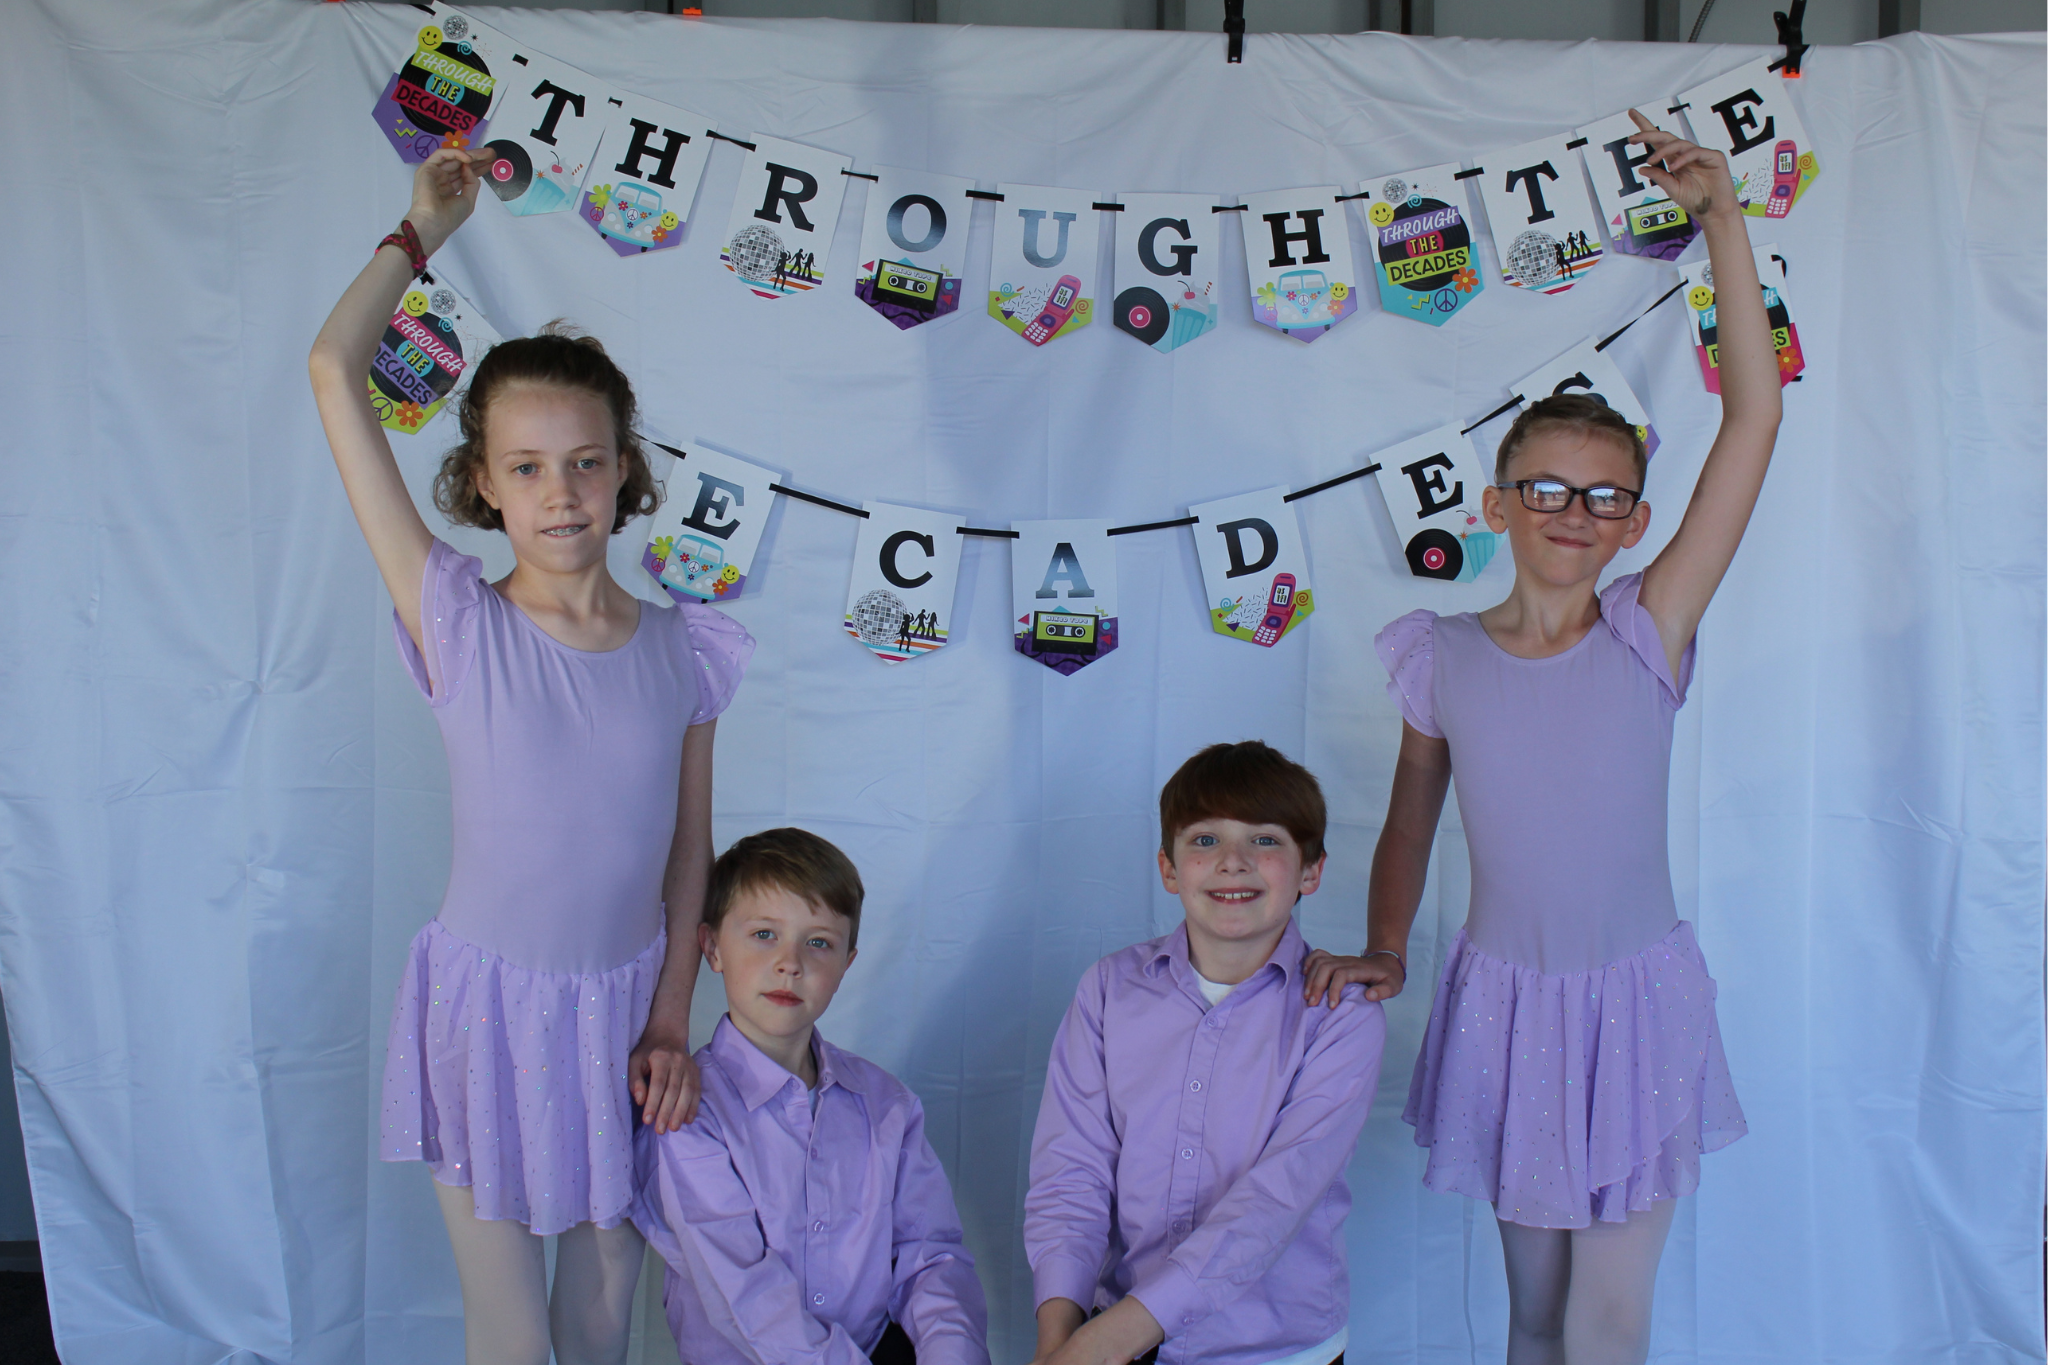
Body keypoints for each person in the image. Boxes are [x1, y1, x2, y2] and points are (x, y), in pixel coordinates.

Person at [1304, 110, 1779, 1365]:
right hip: (1506, 1010)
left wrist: (1721, 222)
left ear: (1632, 523)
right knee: (1529, 1319)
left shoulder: (1646, 630)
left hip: (1636, 1008)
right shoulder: (1442, 655)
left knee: (1606, 1323)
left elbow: (1750, 425)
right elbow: (1411, 814)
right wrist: (1388, 945)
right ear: (1495, 503)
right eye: (1549, 490)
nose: (1575, 513)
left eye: (1605, 496)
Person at [307, 146, 752, 1365]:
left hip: (624, 1013)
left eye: (585, 463)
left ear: (624, 475)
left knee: (605, 1311)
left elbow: (686, 856)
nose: (560, 495)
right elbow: (331, 374)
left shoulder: (683, 650)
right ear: (483, 487)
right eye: (526, 469)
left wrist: (668, 1021)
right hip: (487, 1014)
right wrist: (418, 235)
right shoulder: (457, 619)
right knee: (508, 1336)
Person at [1026, 741, 1386, 1365]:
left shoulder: (1340, 1016)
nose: (1233, 862)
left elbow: (1274, 1202)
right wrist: (1062, 1340)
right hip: (1110, 1340)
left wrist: (1105, 1344)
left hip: (1276, 1350)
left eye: (1266, 841)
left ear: (1312, 871)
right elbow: (1071, 1171)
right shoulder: (1109, 990)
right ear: (1168, 868)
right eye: (1205, 840)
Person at [632, 828, 991, 1365]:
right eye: (763, 934)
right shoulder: (689, 1111)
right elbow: (743, 1291)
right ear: (710, 948)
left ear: (847, 962)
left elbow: (929, 1256)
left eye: (818, 942)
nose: (790, 963)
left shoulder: (886, 1106)